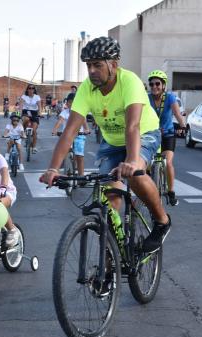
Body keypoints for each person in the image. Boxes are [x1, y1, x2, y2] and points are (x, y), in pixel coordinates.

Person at [41, 36, 171, 254]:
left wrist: (131, 160)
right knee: (108, 203)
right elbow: (70, 131)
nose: (92, 71)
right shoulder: (86, 89)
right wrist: (53, 168)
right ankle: (111, 263)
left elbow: (133, 126)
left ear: (113, 64)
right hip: (112, 143)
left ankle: (162, 221)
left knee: (135, 171)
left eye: (97, 65)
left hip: (144, 133)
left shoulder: (129, 82)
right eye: (88, 66)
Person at [147, 69, 187, 206]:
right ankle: (147, 188)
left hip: (168, 135)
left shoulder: (170, 97)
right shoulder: (146, 98)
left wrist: (183, 126)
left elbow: (177, 113)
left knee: (168, 162)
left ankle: (171, 192)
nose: (154, 87)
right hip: (151, 135)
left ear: (163, 85)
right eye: (151, 84)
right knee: (146, 163)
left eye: (157, 84)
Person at [51, 92, 90, 177]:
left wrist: (86, 129)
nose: (72, 104)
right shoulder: (64, 112)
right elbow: (60, 121)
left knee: (79, 155)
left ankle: (81, 175)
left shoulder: (80, 112)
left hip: (79, 136)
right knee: (62, 151)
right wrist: (55, 130)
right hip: (67, 136)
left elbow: (84, 121)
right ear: (67, 103)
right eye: (70, 102)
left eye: (74, 102)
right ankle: (62, 164)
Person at [20, 85, 41, 154]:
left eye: (33, 88)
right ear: (27, 89)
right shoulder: (24, 97)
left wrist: (40, 114)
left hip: (34, 113)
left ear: (34, 90)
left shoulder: (37, 97)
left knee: (34, 130)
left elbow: (39, 106)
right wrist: (19, 114)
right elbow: (21, 106)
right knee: (25, 119)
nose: (31, 89)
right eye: (30, 88)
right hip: (25, 112)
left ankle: (34, 147)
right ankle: (23, 131)